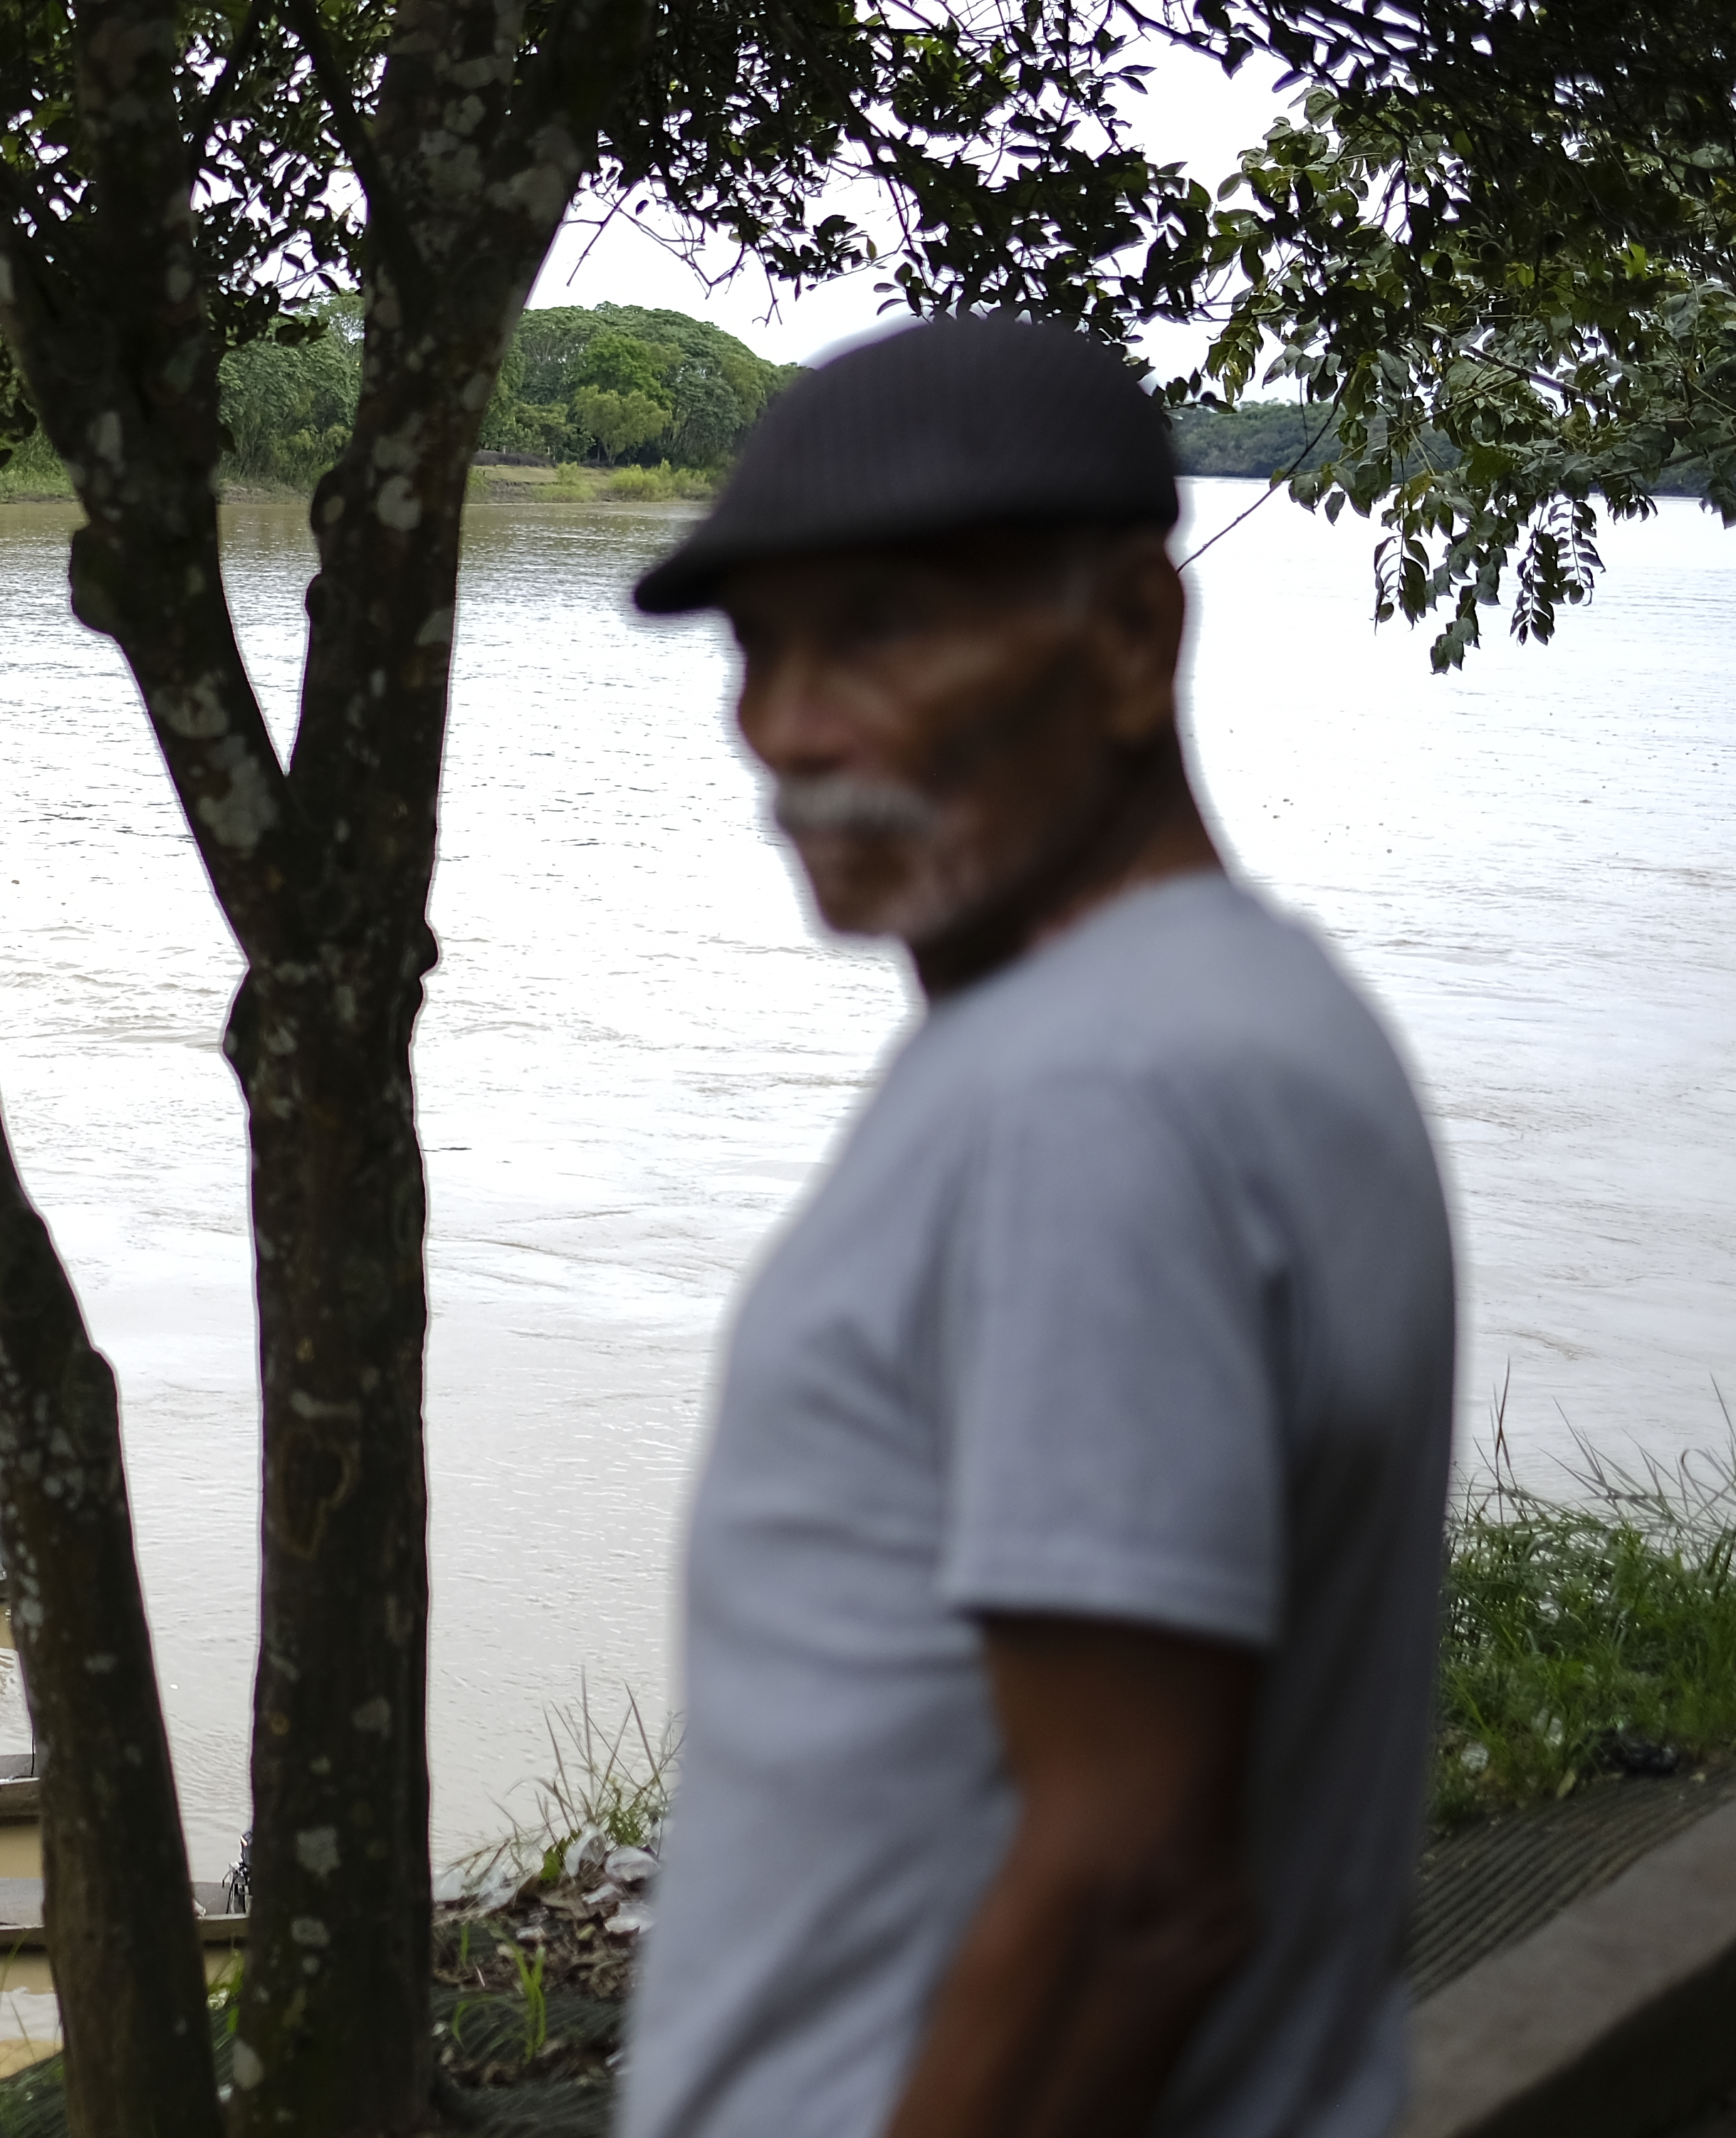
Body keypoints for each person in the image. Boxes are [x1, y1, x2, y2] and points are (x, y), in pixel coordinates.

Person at [616, 315, 1457, 2138]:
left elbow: (1134, 1891)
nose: (787, 727)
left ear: (1133, 637)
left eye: (886, 627)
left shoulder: (1087, 1097)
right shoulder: (1268, 1018)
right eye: (760, 647)